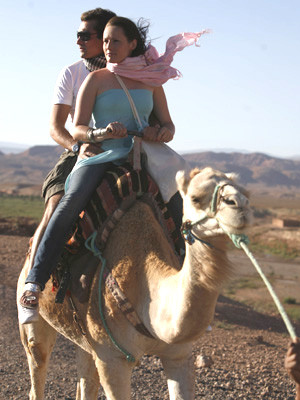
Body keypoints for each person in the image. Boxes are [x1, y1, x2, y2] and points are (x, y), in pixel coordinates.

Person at [18, 16, 207, 324]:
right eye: (105, 41)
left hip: (144, 155)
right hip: (100, 154)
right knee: (70, 203)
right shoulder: (96, 80)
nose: (107, 47)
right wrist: (99, 133)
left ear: (133, 44)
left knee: (182, 207)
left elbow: (169, 126)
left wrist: (159, 134)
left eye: (115, 41)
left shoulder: (152, 80)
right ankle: (33, 284)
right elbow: (77, 128)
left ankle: (192, 287)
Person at [28, 8, 116, 272]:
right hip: (78, 150)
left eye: (84, 36)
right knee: (56, 205)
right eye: (78, 35)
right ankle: (33, 280)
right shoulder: (72, 72)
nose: (78, 41)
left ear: (105, 38)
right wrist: (79, 148)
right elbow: (56, 128)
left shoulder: (130, 73)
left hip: (122, 149)